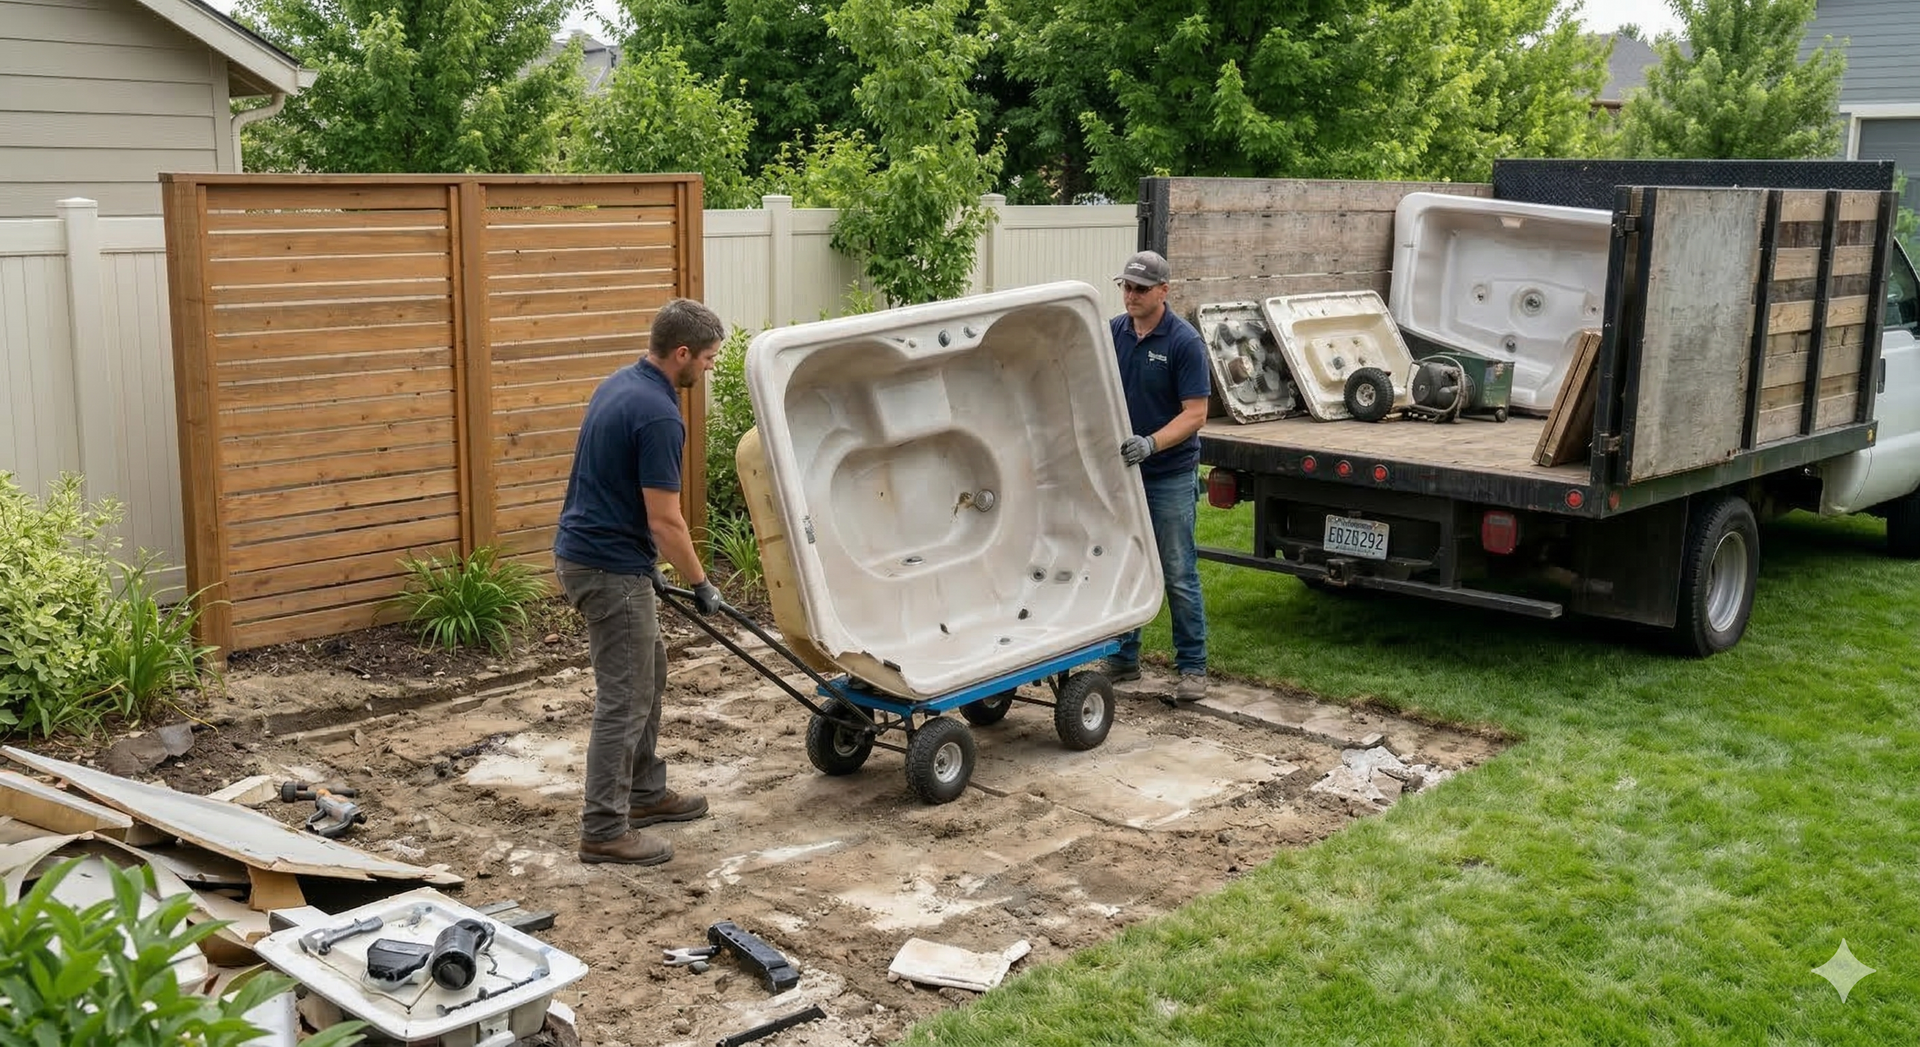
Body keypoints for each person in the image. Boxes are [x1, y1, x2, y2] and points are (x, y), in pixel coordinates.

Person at [553, 298, 727, 866]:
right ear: (680, 354)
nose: (708, 369)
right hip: (607, 568)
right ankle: (603, 827)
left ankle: (646, 793)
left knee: (647, 673)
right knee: (625, 699)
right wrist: (701, 582)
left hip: (601, 555)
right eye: (705, 359)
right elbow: (665, 518)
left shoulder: (620, 384)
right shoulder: (658, 414)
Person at [1108, 250, 1210, 702]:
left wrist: (1150, 443)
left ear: (1163, 291)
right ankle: (1124, 659)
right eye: (1126, 287)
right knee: (1127, 566)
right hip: (1125, 474)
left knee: (1177, 571)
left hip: (1167, 473)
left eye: (1140, 288)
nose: (1131, 295)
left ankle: (1193, 667)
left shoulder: (1183, 343)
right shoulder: (1114, 333)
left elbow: (1196, 414)